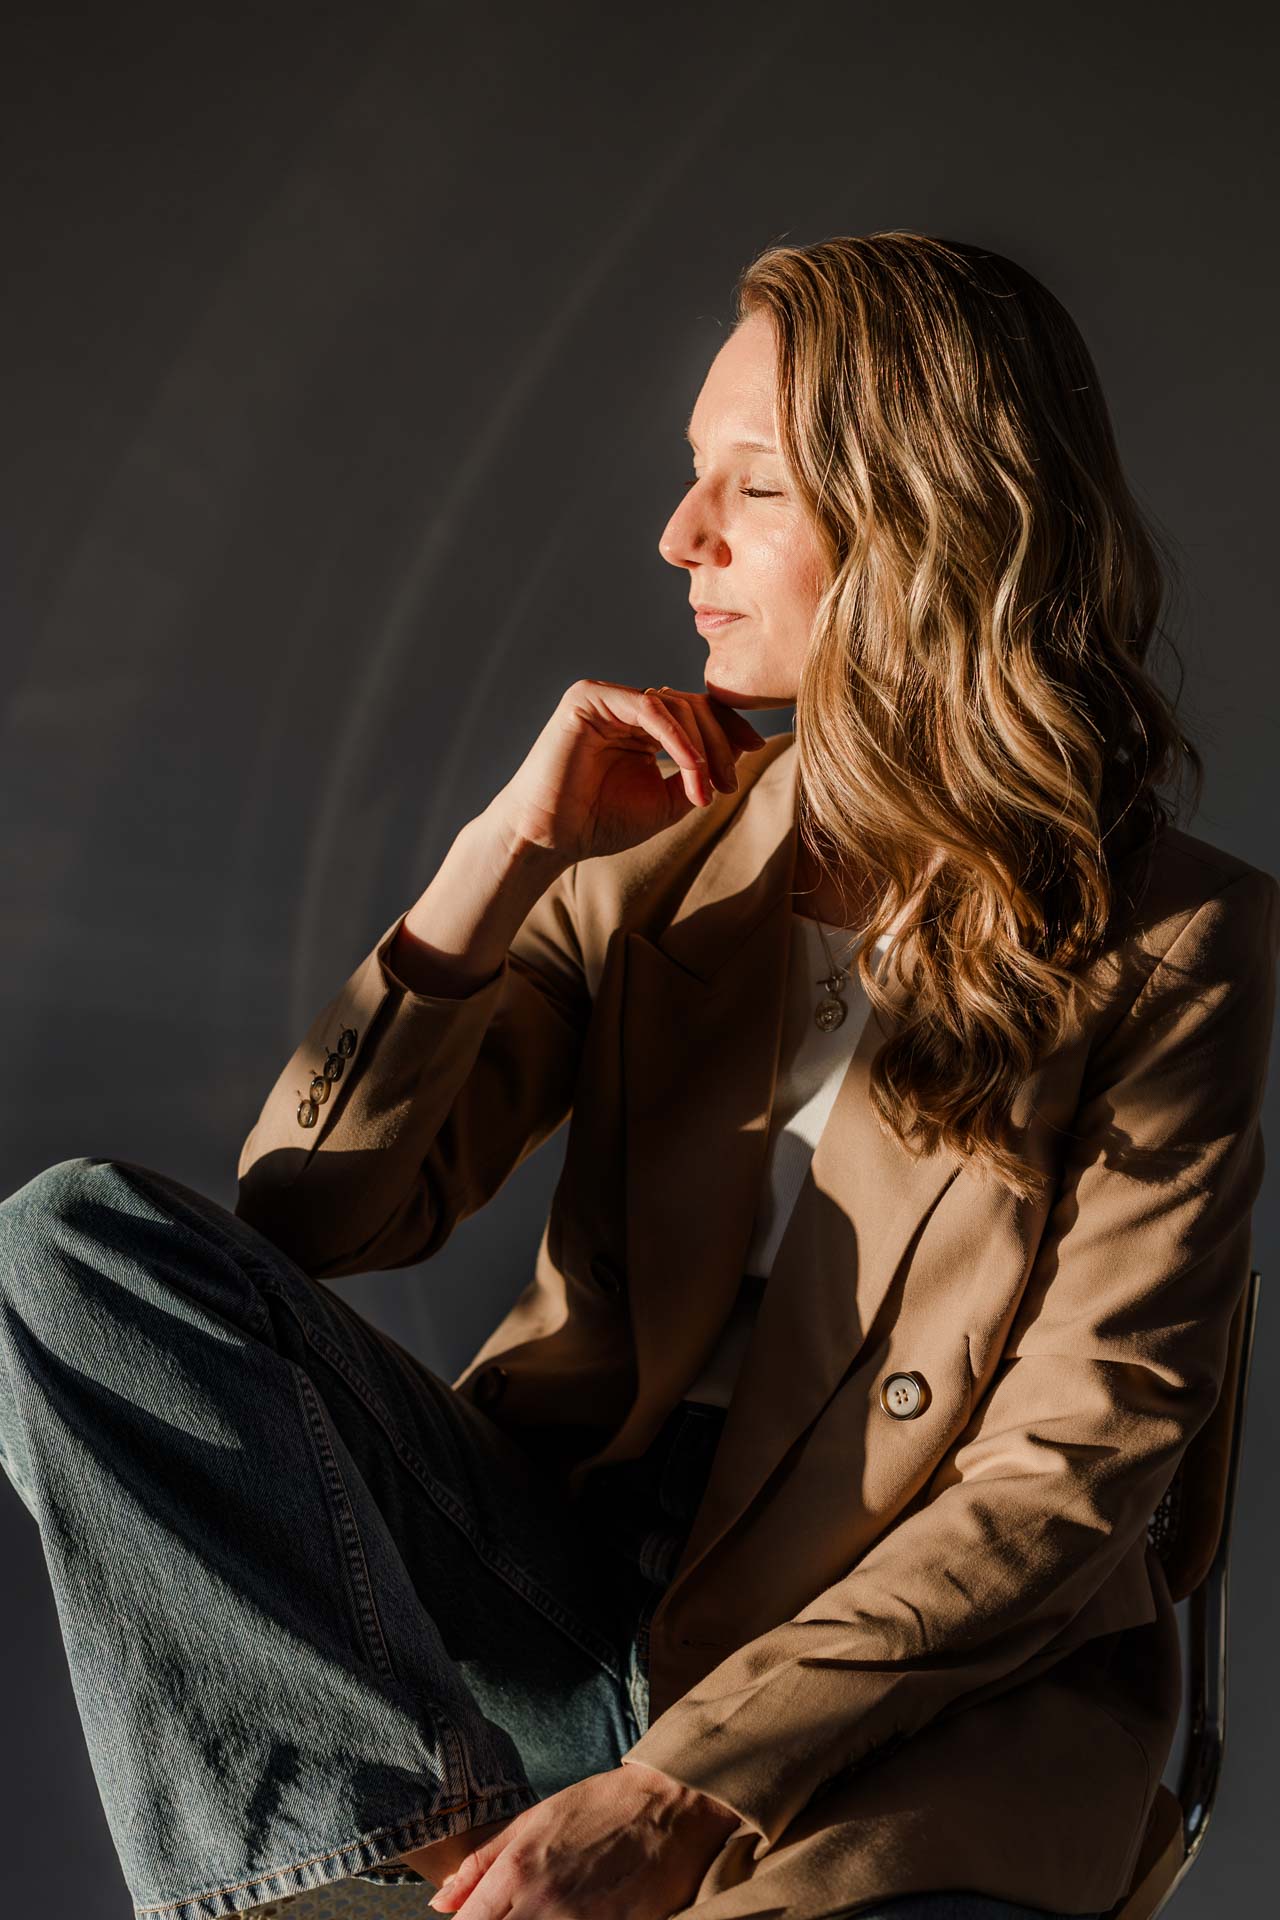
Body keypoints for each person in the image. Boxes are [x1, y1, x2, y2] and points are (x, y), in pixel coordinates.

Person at [0, 231, 1274, 1920]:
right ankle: (368, 1874)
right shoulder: (661, 853)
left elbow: (1070, 1470)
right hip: (554, 1600)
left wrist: (688, 1787)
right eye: (692, 473)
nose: (681, 535)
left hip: (901, 1691)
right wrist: (503, 856)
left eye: (753, 485)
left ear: (928, 523)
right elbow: (310, 1218)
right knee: (68, 1248)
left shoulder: (1173, 941)